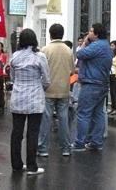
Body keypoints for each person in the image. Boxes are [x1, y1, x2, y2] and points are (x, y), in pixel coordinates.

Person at [9, 28, 50, 175]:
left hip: (18, 98)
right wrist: (39, 88)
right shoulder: (40, 57)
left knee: (16, 133)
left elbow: (12, 77)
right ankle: (32, 166)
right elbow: (46, 79)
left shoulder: (15, 56)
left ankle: (16, 164)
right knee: (33, 133)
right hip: (35, 98)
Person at [72, 23, 112, 151]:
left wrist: (84, 42)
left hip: (91, 83)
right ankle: (96, 141)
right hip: (102, 83)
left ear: (96, 34)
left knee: (83, 113)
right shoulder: (106, 46)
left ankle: (80, 143)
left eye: (90, 31)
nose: (88, 33)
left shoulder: (96, 46)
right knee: (98, 113)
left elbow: (80, 54)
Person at [37, 23, 74, 157]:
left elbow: (40, 70)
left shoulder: (45, 50)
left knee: (45, 119)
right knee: (63, 119)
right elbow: (71, 71)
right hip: (64, 89)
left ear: (50, 34)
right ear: (62, 34)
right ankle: (65, 148)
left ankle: (43, 148)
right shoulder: (68, 50)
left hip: (47, 89)